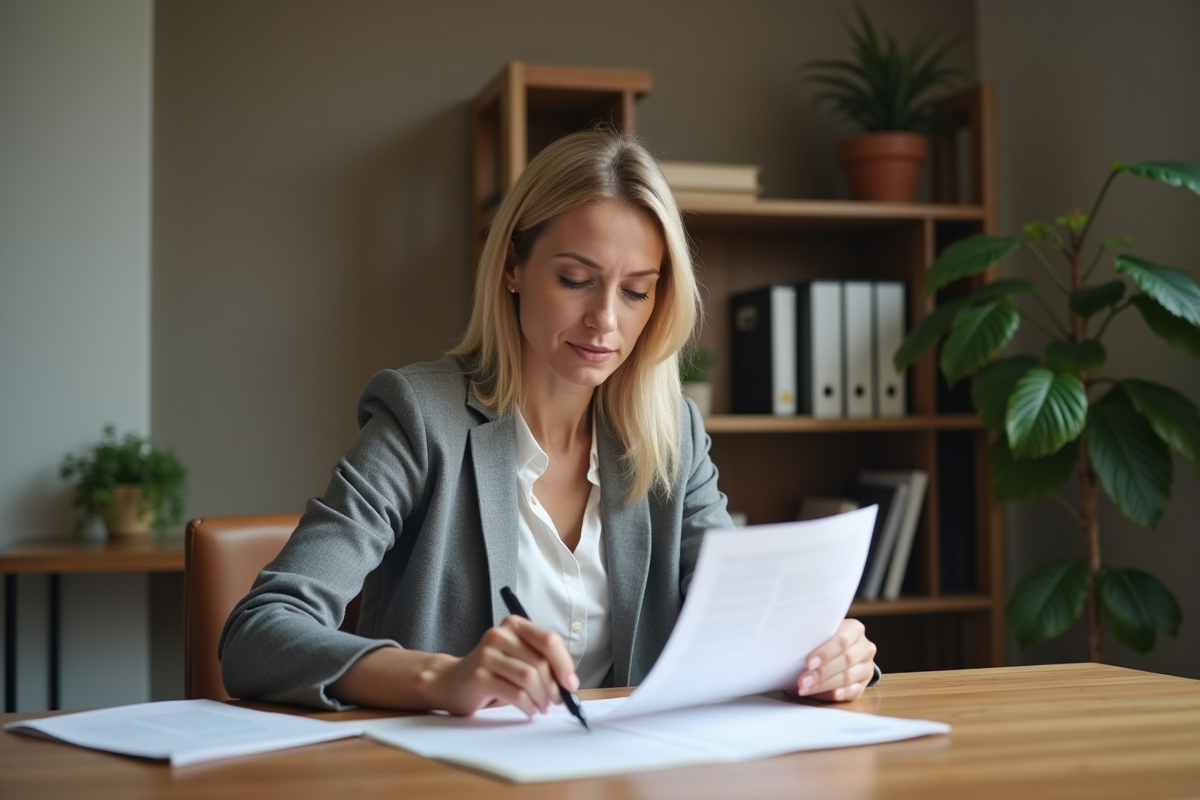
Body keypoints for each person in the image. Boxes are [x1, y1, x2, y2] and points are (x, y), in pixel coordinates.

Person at [219, 129, 878, 716]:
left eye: (636, 290)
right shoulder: (422, 418)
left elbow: (741, 619)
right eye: (575, 279)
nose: (606, 321)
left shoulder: (669, 433)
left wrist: (828, 655)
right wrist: (443, 678)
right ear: (512, 265)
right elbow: (258, 633)